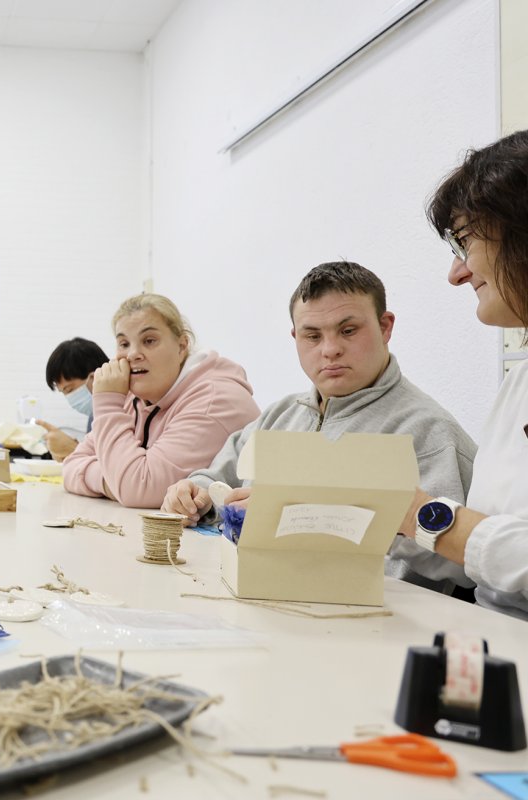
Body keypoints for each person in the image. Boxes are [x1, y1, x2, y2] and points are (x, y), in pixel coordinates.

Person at [162, 261, 475, 595]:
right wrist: (195, 494)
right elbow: (215, 479)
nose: (330, 350)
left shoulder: (430, 432)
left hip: (376, 622)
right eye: (312, 335)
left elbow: (465, 564)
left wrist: (347, 516)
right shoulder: (280, 415)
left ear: (385, 327)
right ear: (296, 338)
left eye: (348, 330)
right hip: (261, 599)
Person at [392, 130, 528, 619]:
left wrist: (416, 515)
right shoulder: (519, 380)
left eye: (464, 241)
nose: (456, 272)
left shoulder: (425, 423)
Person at [62, 293, 259, 508]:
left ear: (182, 345)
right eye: (124, 343)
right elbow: (71, 466)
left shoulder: (216, 399)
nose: (133, 354)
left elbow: (139, 489)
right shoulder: (134, 397)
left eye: (149, 341)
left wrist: (107, 403)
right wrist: (113, 481)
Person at [36, 337, 108, 462]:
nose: (70, 397)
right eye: (64, 392)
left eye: (69, 389)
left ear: (94, 376)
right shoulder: (94, 416)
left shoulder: (130, 409)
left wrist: (72, 450)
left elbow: (115, 471)